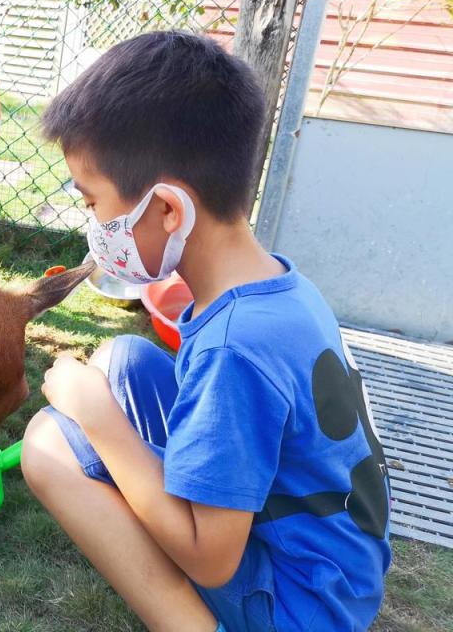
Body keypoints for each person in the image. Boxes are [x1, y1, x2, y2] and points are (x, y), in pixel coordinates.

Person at [21, 31, 391, 632]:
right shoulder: (280, 289)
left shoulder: (234, 346)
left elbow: (211, 560)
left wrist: (100, 422)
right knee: (123, 360)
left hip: (299, 608)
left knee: (47, 444)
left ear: (168, 210)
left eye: (93, 204)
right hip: (336, 574)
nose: (92, 223)